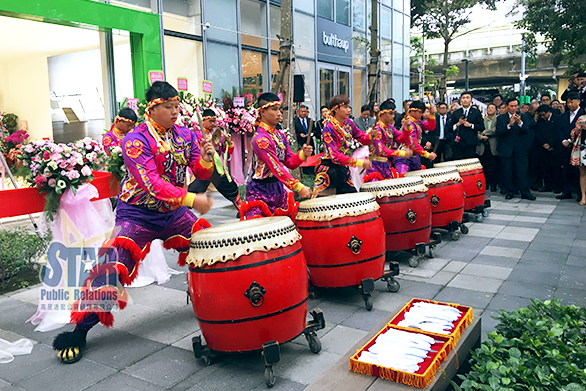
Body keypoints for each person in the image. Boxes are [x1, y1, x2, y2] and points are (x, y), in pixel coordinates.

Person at [52, 81, 215, 364]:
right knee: (112, 269)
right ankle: (79, 331)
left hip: (173, 214)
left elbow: (198, 169)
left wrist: (207, 159)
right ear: (151, 108)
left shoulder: (185, 135)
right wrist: (191, 199)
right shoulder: (136, 140)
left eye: (177, 106)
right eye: (168, 107)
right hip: (138, 214)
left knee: (212, 245)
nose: (175, 112)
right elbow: (151, 184)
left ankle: (217, 299)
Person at [240, 93, 313, 219]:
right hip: (259, 191)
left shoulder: (280, 136)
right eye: (274, 109)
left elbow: (290, 162)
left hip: (278, 189)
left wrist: (302, 154)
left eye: (280, 109)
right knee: (261, 232)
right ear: (262, 112)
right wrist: (298, 187)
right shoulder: (260, 139)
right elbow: (276, 167)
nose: (279, 113)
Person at [314, 94, 373, 195]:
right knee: (324, 206)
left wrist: (372, 135)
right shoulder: (328, 128)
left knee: (353, 202)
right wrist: (359, 163)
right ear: (336, 109)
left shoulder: (349, 123)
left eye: (349, 107)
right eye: (345, 107)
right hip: (329, 170)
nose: (349, 110)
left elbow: (364, 140)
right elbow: (335, 156)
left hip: (343, 168)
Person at [189, 109, 242, 211]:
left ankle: (242, 208)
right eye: (210, 121)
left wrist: (229, 142)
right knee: (193, 192)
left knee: (230, 188)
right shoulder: (196, 136)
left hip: (216, 168)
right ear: (203, 121)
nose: (212, 124)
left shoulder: (219, 135)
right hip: (203, 168)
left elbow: (229, 151)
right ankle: (182, 214)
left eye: (214, 121)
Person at [496, 97, 536, 200]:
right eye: (511, 106)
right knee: (508, 171)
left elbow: (527, 130)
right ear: (507, 106)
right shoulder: (501, 118)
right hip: (506, 148)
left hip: (520, 148)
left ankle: (525, 192)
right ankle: (510, 191)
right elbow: (499, 132)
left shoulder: (524, 117)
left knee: (522, 171)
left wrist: (519, 123)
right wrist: (509, 125)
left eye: (515, 106)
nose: (513, 108)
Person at [364, 100, 412, 181]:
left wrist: (407, 127)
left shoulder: (390, 128)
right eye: (390, 114)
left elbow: (402, 139)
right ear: (382, 114)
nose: (393, 116)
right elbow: (382, 151)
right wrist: (401, 153)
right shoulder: (378, 130)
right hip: (374, 166)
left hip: (386, 164)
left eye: (393, 113)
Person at [394, 100, 437, 174]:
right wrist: (427, 155)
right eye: (420, 112)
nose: (422, 114)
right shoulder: (409, 124)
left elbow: (430, 127)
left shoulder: (417, 122)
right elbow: (412, 143)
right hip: (404, 158)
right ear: (413, 111)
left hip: (414, 156)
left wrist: (432, 114)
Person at [555, 92, 585, 200]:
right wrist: (563, 140)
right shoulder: (564, 115)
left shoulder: (582, 114)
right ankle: (566, 191)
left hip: (578, 146)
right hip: (565, 147)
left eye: (572, 102)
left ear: (578, 101)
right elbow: (558, 129)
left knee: (578, 170)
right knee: (565, 169)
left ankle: (580, 193)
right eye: (568, 102)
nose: (570, 104)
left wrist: (570, 140)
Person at [447, 91, 485, 160]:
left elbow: (481, 126)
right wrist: (458, 124)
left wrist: (471, 125)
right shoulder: (456, 112)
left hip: (471, 143)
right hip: (458, 143)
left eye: (467, 98)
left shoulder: (476, 112)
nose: (465, 100)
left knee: (470, 164)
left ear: (471, 100)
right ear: (461, 100)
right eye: (463, 98)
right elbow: (450, 128)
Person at [534, 104, 561, 193]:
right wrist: (544, 144)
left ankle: (557, 186)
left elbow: (557, 132)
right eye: (540, 115)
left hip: (555, 147)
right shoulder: (540, 121)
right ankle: (547, 185)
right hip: (543, 147)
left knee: (556, 167)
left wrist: (550, 144)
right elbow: (538, 133)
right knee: (545, 167)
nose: (542, 117)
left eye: (543, 114)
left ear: (549, 112)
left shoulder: (557, 119)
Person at [478, 103, 499, 192]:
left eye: (492, 108)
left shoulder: (498, 120)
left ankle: (493, 184)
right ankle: (485, 184)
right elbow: (477, 131)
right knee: (484, 166)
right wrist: (481, 137)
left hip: (493, 146)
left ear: (495, 110)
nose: (490, 109)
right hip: (483, 146)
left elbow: (496, 130)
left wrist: (485, 132)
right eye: (488, 108)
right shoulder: (482, 120)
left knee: (493, 167)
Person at [293, 104, 317, 174]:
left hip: (310, 144)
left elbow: (315, 130)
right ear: (298, 112)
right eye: (302, 111)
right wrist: (299, 135)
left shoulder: (310, 121)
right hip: (300, 144)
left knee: (311, 160)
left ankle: (312, 174)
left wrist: (312, 134)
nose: (303, 113)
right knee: (303, 161)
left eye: (305, 111)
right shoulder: (295, 121)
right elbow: (293, 133)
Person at [570, 115, 586, 204]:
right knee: (582, 173)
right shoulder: (581, 118)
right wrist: (578, 129)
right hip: (582, 147)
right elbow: (573, 134)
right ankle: (583, 196)